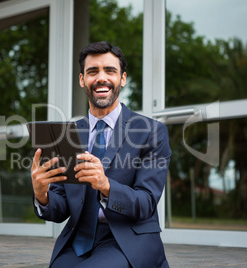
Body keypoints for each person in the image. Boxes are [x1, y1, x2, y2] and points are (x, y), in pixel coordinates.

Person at [31, 41, 171, 267]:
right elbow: (60, 210)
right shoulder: (67, 134)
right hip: (78, 241)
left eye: (110, 71)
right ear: (82, 80)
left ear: (122, 79)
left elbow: (145, 203)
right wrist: (41, 194)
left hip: (127, 240)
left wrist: (106, 185)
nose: (101, 78)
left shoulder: (151, 132)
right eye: (92, 71)